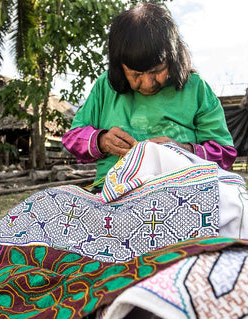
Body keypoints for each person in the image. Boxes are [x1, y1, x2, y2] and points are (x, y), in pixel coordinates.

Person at [62, 3, 236, 187]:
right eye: (136, 75)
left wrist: (184, 150)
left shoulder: (196, 89)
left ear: (172, 57)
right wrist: (102, 140)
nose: (148, 83)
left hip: (181, 191)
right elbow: (73, 138)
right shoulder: (105, 86)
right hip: (115, 192)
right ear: (120, 68)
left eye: (157, 71)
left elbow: (225, 153)